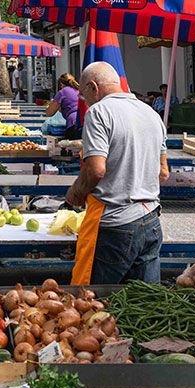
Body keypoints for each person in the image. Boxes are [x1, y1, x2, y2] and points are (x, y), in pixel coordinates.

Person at [65, 62, 169, 286]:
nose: (84, 101)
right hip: (151, 220)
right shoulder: (151, 113)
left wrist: (75, 193)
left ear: (94, 87)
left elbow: (96, 170)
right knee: (144, 306)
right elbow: (163, 173)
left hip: (115, 225)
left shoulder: (99, 112)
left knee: (93, 304)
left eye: (83, 95)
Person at [45, 73, 82, 138]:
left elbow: (49, 113)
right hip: (86, 121)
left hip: (73, 123)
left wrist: (50, 105)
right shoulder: (79, 90)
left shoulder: (63, 92)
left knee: (72, 146)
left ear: (61, 84)